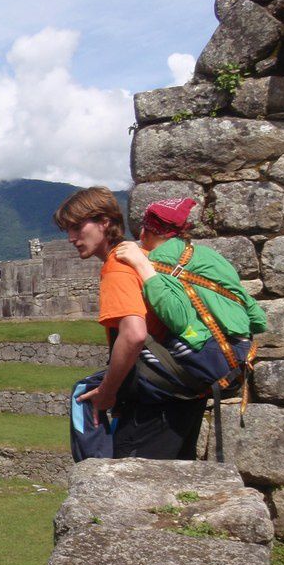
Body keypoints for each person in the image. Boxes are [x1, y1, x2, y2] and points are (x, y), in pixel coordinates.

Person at [54, 186, 203, 460]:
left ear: (104, 222)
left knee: (128, 490)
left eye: (77, 227)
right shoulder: (142, 256)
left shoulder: (117, 267)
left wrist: (108, 392)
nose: (72, 238)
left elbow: (134, 334)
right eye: (68, 230)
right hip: (182, 392)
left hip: (155, 403)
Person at [114, 197, 266, 394]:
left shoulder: (157, 262)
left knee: (121, 380)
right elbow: (257, 318)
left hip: (213, 360)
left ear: (148, 231)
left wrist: (143, 267)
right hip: (242, 357)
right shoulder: (208, 255)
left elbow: (178, 318)